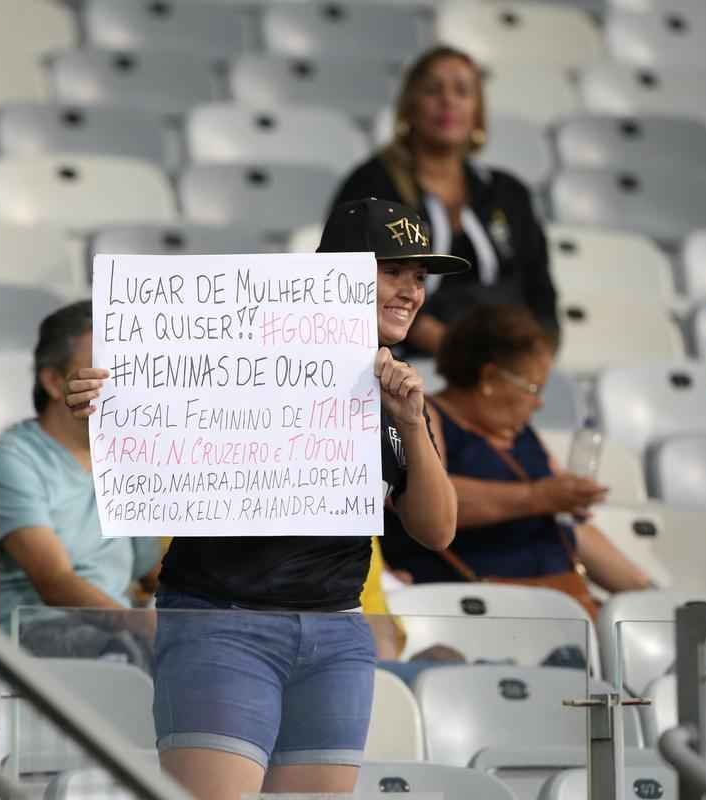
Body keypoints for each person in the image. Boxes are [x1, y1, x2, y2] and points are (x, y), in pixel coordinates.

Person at [65, 198, 459, 800]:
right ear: (334, 275)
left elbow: (438, 531)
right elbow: (145, 411)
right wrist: (110, 399)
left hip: (337, 631)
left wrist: (411, 422)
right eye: (392, 272)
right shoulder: (232, 353)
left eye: (419, 276)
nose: (411, 291)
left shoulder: (393, 389)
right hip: (221, 622)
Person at [381, 304, 652, 603]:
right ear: (490, 379)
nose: (539, 403)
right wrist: (537, 496)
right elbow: (430, 499)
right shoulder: (423, 417)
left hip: (561, 596)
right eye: (533, 389)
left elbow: (569, 527)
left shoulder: (522, 433)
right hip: (479, 604)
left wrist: (648, 595)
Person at [330, 45, 558, 354]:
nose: (448, 100)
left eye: (462, 91)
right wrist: (448, 346)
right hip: (398, 359)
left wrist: (537, 352)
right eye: (433, 90)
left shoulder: (508, 192)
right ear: (409, 106)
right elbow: (352, 284)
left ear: (477, 113)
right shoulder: (371, 185)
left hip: (503, 356)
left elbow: (539, 288)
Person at [0, 301, 162, 652]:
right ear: (55, 382)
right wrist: (144, 628)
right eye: (104, 368)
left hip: (114, 638)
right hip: (29, 641)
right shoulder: (12, 457)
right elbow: (55, 582)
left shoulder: (125, 457)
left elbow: (152, 572)